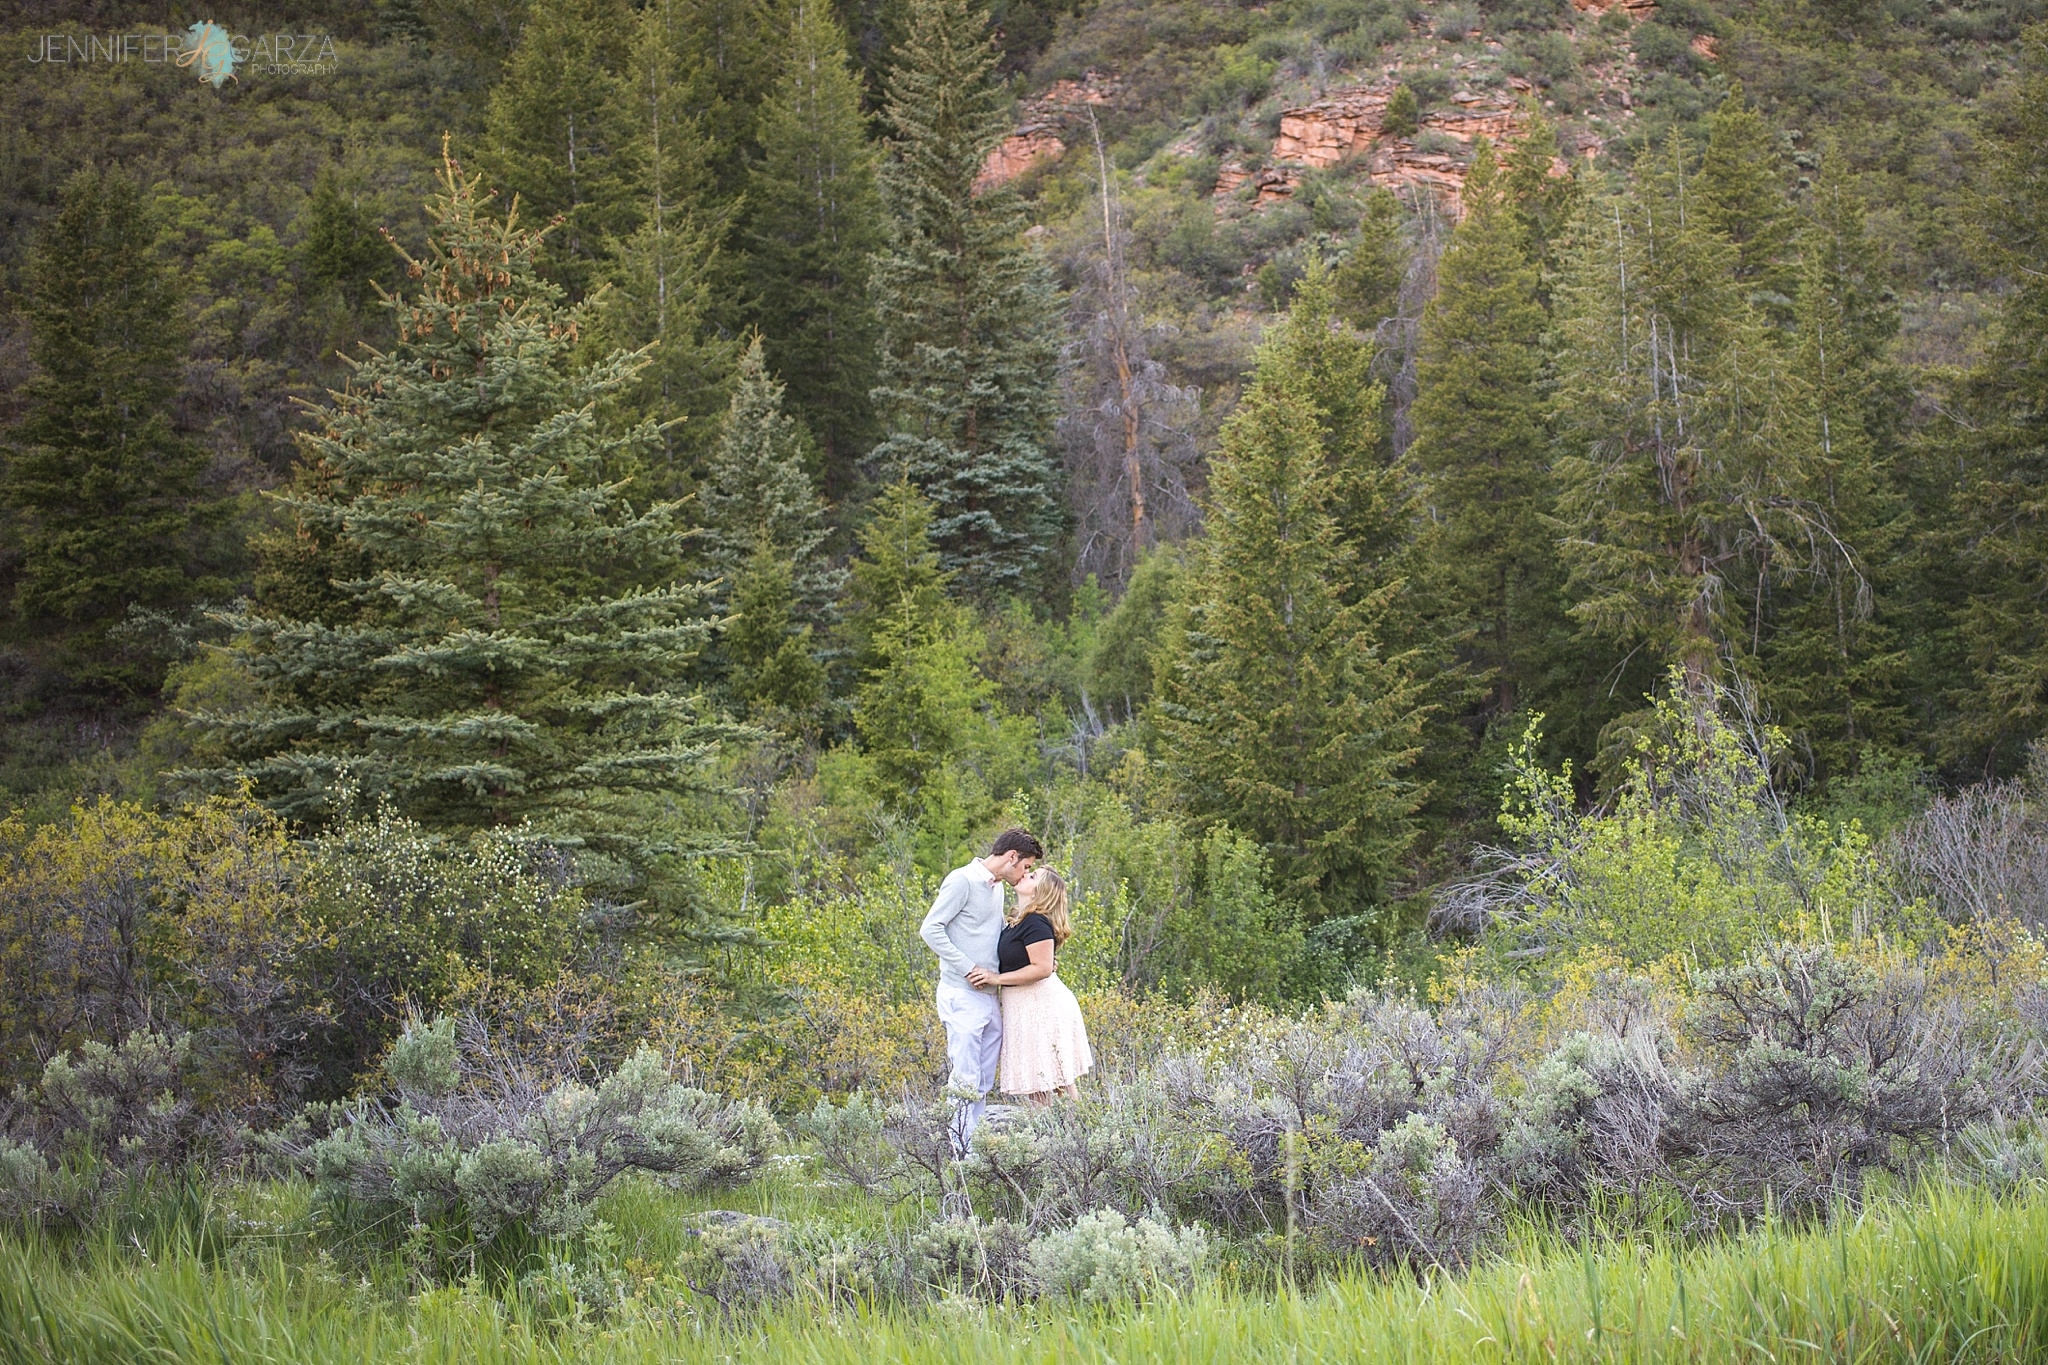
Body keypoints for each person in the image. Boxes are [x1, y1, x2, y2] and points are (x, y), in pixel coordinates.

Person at [920, 828, 1042, 1153]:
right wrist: (967, 968)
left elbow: (991, 931)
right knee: (965, 1078)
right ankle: (961, 1155)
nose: (1025, 873)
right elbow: (930, 928)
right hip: (962, 993)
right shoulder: (962, 880)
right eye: (1026, 866)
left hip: (990, 996)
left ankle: (973, 1147)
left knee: (983, 1080)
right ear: (1011, 857)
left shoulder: (997, 888)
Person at [973, 866, 1093, 1102]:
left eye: (1033, 875)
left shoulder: (1036, 922)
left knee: (1055, 1081)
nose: (1025, 875)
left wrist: (996, 979)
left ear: (1042, 891)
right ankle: (1051, 1135)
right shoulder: (1018, 922)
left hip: (1042, 1007)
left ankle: (1074, 1134)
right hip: (1026, 1008)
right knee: (1038, 1082)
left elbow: (1042, 968)